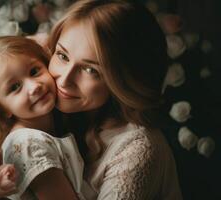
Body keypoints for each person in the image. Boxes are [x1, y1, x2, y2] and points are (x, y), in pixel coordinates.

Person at [44, 0, 183, 199]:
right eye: (62, 56)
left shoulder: (139, 148)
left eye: (90, 70)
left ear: (123, 81)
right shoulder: (51, 110)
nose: (64, 80)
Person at [0, 36, 84, 200]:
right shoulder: (28, 145)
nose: (34, 87)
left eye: (34, 71)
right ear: (2, 109)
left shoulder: (48, 129)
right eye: (15, 87)